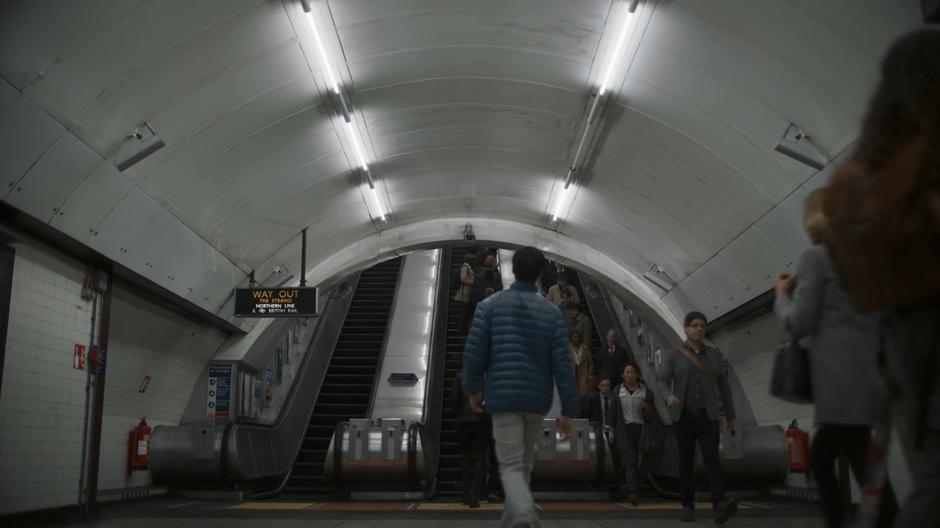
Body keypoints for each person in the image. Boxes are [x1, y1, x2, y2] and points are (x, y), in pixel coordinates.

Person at [822, 29, 940, 528]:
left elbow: (853, 284)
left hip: (900, 341)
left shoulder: (852, 182)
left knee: (929, 471)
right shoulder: (926, 160)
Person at [773, 188, 882, 528]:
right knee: (828, 458)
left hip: (838, 379)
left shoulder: (816, 257)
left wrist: (781, 297)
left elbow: (798, 322)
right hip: (864, 372)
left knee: (851, 462)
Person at [463, 246, 580, 528]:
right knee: (524, 466)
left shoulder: (487, 307)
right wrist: (569, 410)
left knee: (513, 466)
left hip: (502, 399)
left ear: (513, 270)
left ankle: (524, 514)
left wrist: (473, 388)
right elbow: (564, 366)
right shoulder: (552, 313)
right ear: (541, 273)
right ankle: (515, 521)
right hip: (535, 401)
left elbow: (474, 353)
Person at [656, 311, 738, 523]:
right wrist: (668, 397)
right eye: (694, 325)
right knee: (685, 462)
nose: (699, 329)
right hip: (683, 417)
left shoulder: (715, 355)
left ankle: (719, 503)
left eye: (702, 325)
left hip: (708, 417)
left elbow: (724, 387)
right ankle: (688, 505)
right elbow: (662, 382)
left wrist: (731, 415)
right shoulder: (673, 355)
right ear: (685, 329)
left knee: (712, 459)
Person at [609, 362, 654, 506]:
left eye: (632, 372)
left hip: (641, 429)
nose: (629, 375)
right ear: (623, 375)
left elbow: (653, 415)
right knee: (629, 460)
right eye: (627, 372)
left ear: (637, 374)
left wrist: (647, 408)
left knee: (640, 461)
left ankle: (636, 488)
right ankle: (632, 492)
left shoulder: (645, 391)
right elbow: (613, 413)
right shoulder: (618, 391)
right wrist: (611, 431)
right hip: (624, 429)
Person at [452, 370, 489, 508]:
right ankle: (475, 495)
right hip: (481, 423)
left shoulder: (459, 376)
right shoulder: (484, 376)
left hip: (464, 423)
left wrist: (459, 414)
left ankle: (465, 495)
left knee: (465, 458)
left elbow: (454, 399)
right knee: (480, 458)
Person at [583, 375, 623, 494]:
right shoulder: (594, 399)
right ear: (599, 387)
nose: (606, 388)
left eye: (608, 385)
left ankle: (618, 484)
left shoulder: (615, 399)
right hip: (599, 428)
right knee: (600, 453)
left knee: (617, 455)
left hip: (612, 429)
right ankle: (599, 482)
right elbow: (587, 415)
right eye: (603, 386)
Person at [454, 253, 476, 334]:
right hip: (464, 295)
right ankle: (462, 330)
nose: (474, 261)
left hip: (467, 294)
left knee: (467, 313)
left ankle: (465, 329)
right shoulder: (465, 267)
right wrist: (474, 282)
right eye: (473, 260)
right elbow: (463, 279)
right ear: (469, 260)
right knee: (464, 313)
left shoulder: (468, 268)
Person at [570, 330, 594, 396]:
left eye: (577, 336)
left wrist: (589, 374)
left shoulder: (585, 348)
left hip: (583, 374)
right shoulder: (567, 349)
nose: (576, 338)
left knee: (584, 394)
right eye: (574, 336)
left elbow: (591, 363)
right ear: (571, 338)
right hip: (572, 375)